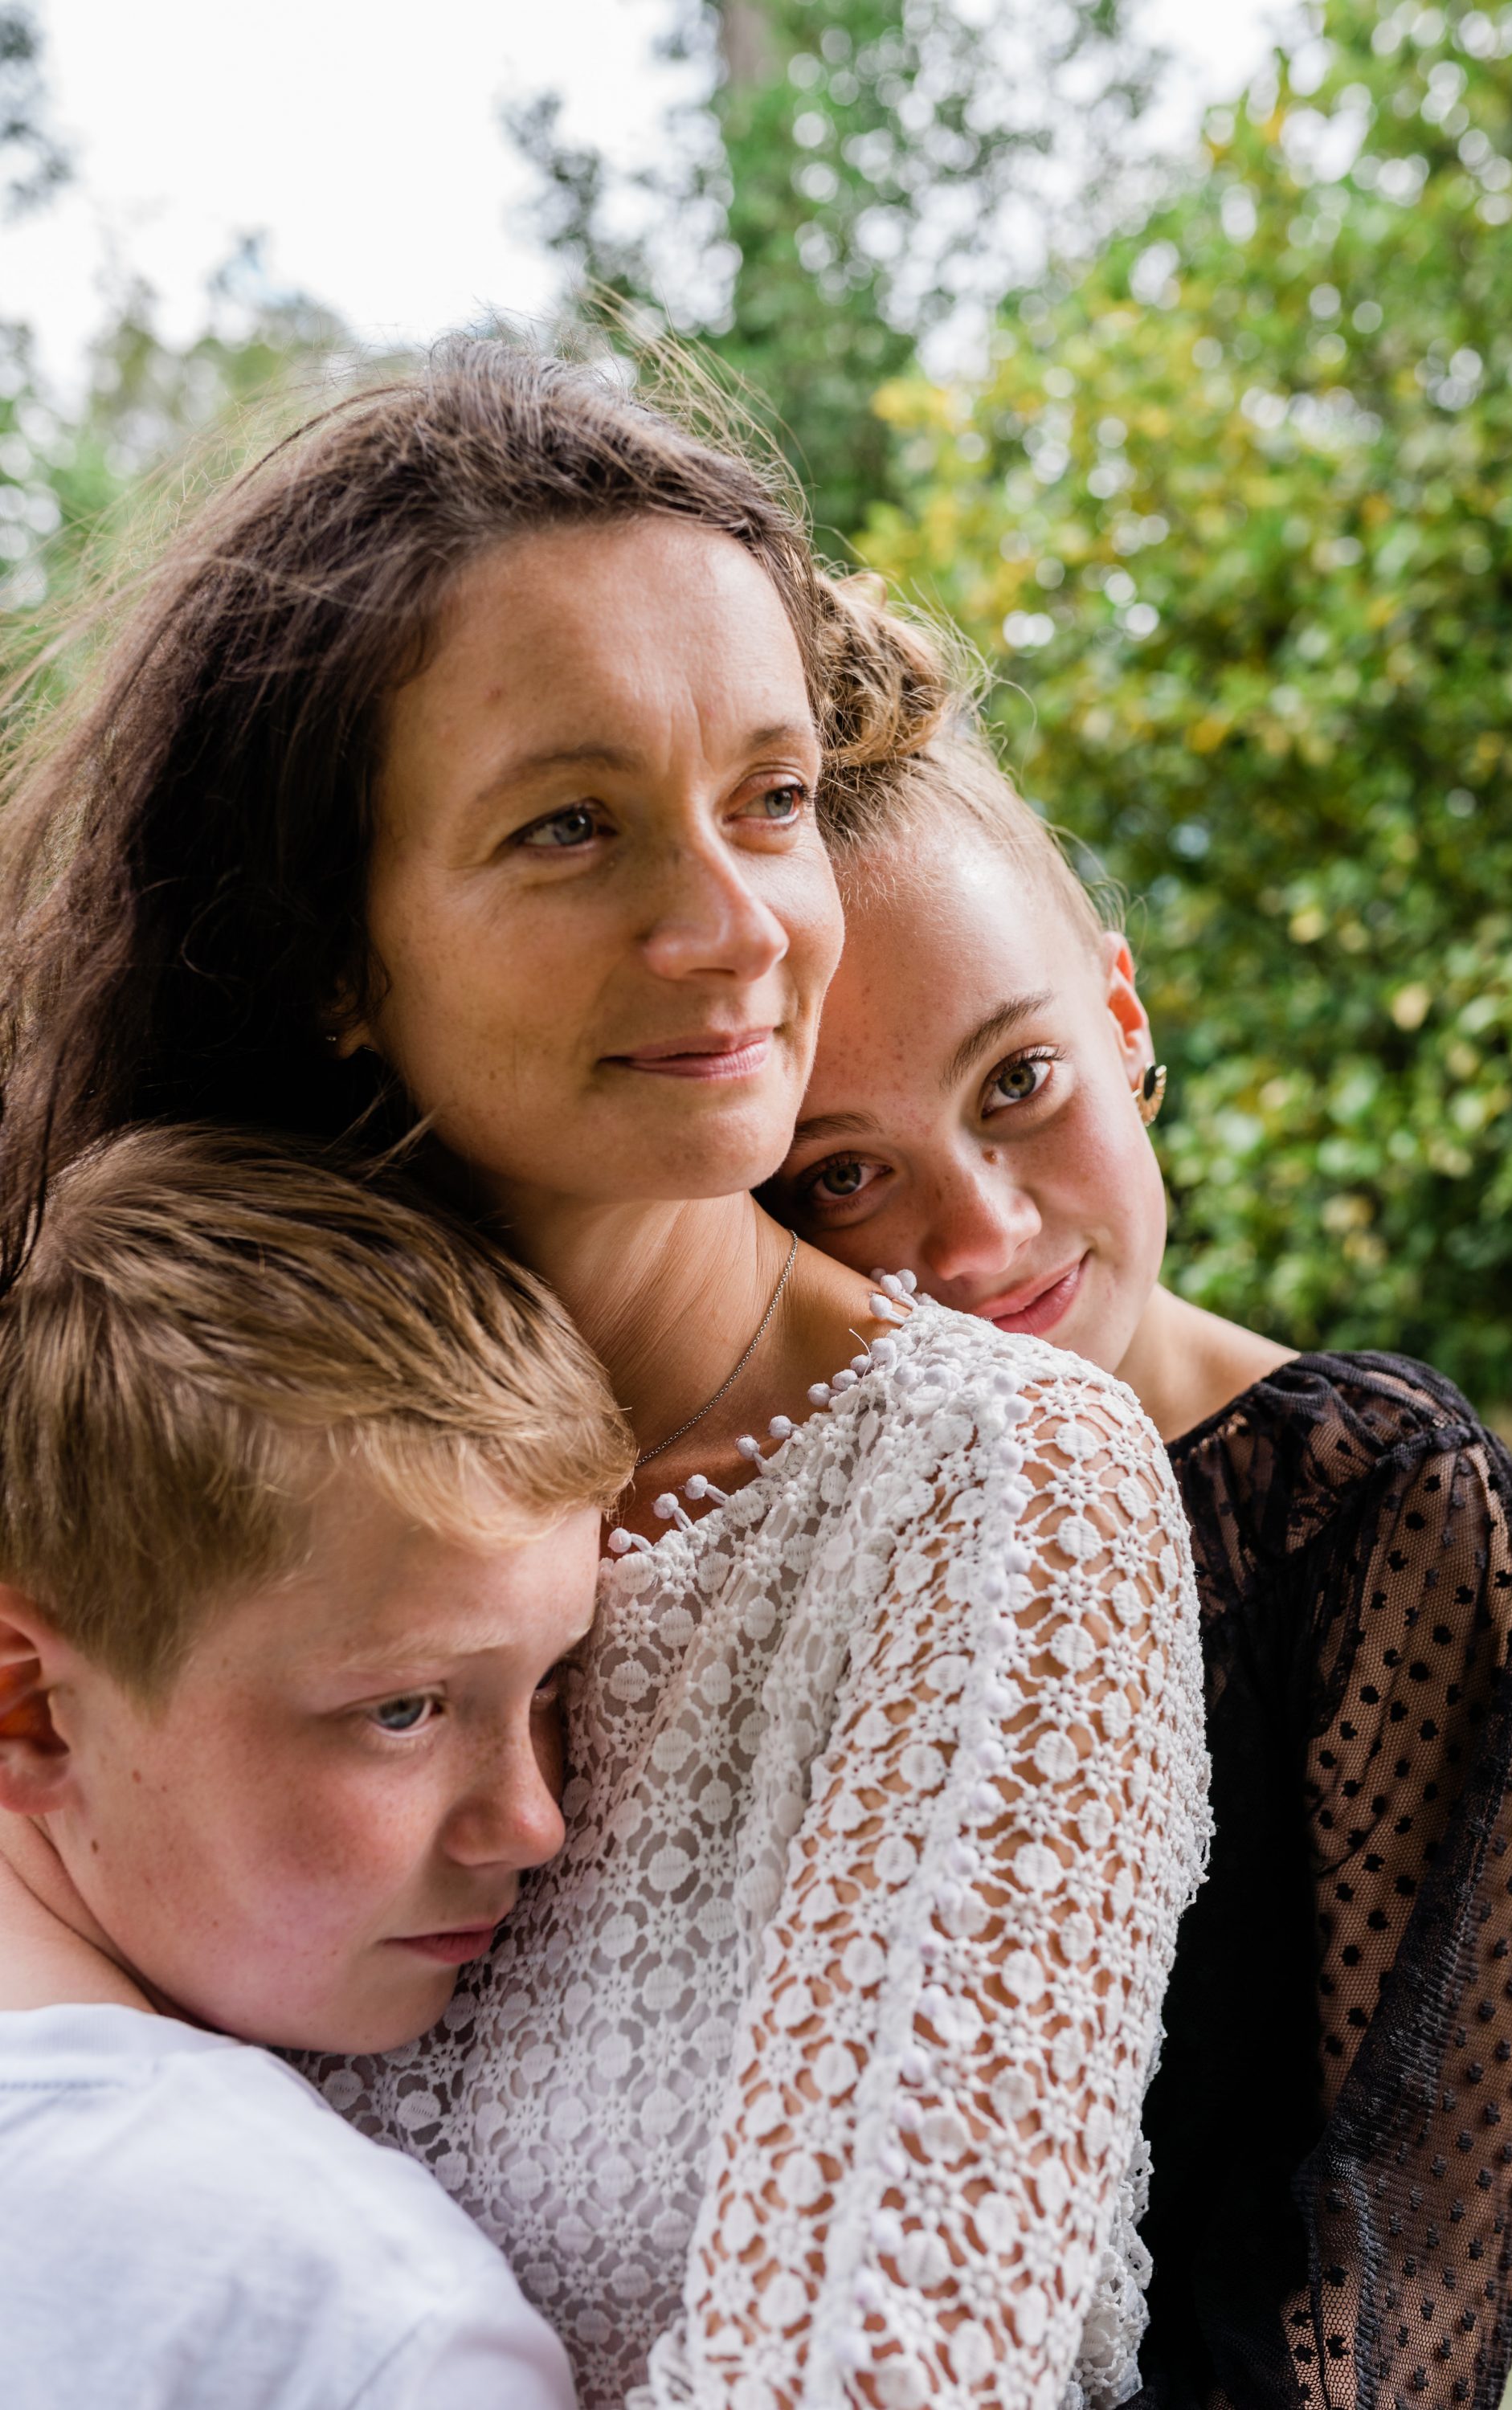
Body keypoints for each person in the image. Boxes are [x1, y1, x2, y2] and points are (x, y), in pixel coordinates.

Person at [0, 345, 1211, 2410]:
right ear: (327, 952)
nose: (734, 924)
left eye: (772, 799)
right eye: (574, 825)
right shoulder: (127, 1406)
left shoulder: (992, 1487)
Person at [765, 598, 1512, 2410]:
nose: (976, 1236)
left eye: (1019, 1081)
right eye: (837, 1174)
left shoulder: (1371, 1507)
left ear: (1122, 1017)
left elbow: (1397, 2258)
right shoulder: (754, 1510)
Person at [0, 1121, 636, 2410]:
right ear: (36, 1714)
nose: (532, 1820)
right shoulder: (356, 2325)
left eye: (555, 1681)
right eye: (402, 1710)